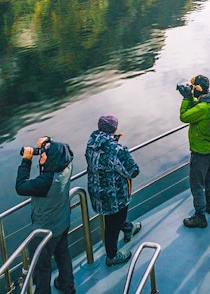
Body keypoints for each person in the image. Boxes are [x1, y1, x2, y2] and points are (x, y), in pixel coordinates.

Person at [15, 136, 75, 294]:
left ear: (52, 159)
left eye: (44, 154)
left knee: (42, 269)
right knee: (63, 254)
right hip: (62, 222)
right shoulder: (66, 166)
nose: (41, 155)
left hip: (44, 232)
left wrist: (26, 160)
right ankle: (67, 285)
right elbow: (65, 149)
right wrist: (48, 142)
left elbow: (20, 187)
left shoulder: (45, 182)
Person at [85, 114, 141, 267]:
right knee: (113, 223)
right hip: (114, 195)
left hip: (97, 192)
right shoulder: (116, 149)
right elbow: (133, 171)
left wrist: (113, 141)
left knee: (113, 219)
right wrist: (119, 148)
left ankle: (128, 228)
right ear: (114, 128)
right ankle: (112, 255)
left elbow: (102, 161)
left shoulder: (91, 144)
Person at [177, 74, 210, 228]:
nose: (191, 89)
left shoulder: (202, 108)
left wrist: (186, 99)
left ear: (198, 89)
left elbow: (184, 116)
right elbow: (199, 106)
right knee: (208, 178)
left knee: (196, 184)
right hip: (208, 147)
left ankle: (200, 216)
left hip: (199, 150)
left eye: (193, 86)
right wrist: (191, 97)